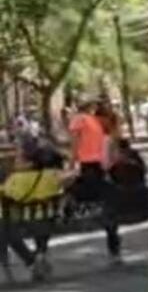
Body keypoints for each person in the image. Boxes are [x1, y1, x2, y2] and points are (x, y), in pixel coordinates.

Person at [68, 97, 122, 263]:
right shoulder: (98, 125)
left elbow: (75, 142)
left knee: (73, 191)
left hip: (88, 164)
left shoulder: (80, 119)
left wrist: (71, 161)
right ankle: (114, 248)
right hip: (100, 166)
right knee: (106, 202)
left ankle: (74, 216)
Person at [1, 142, 64, 281]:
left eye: (18, 159)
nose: (15, 161)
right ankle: (40, 253)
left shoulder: (16, 179)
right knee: (41, 224)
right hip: (47, 219)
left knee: (6, 230)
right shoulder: (51, 175)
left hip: (22, 220)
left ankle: (31, 261)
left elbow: (7, 195)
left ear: (29, 162)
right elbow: (64, 184)